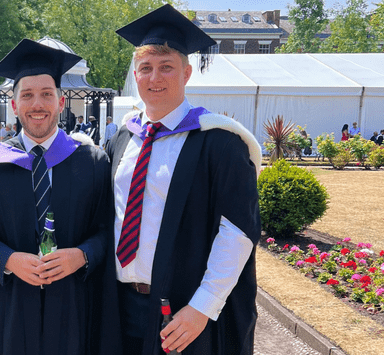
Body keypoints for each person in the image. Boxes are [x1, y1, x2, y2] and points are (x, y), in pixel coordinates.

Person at [108, 5, 261, 355]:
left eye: (166, 67)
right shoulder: (123, 139)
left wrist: (202, 307)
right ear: (135, 74)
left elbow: (237, 234)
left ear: (187, 73)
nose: (154, 78)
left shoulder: (220, 141)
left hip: (181, 310)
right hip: (118, 305)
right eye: (145, 69)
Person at [0, 39, 120, 355]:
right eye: (28, 95)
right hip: (11, 304)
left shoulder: (91, 162)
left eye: (47, 94)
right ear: (14, 104)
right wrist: (7, 259)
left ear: (61, 102)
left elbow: (107, 230)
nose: (38, 104)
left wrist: (83, 255)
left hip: (73, 304)